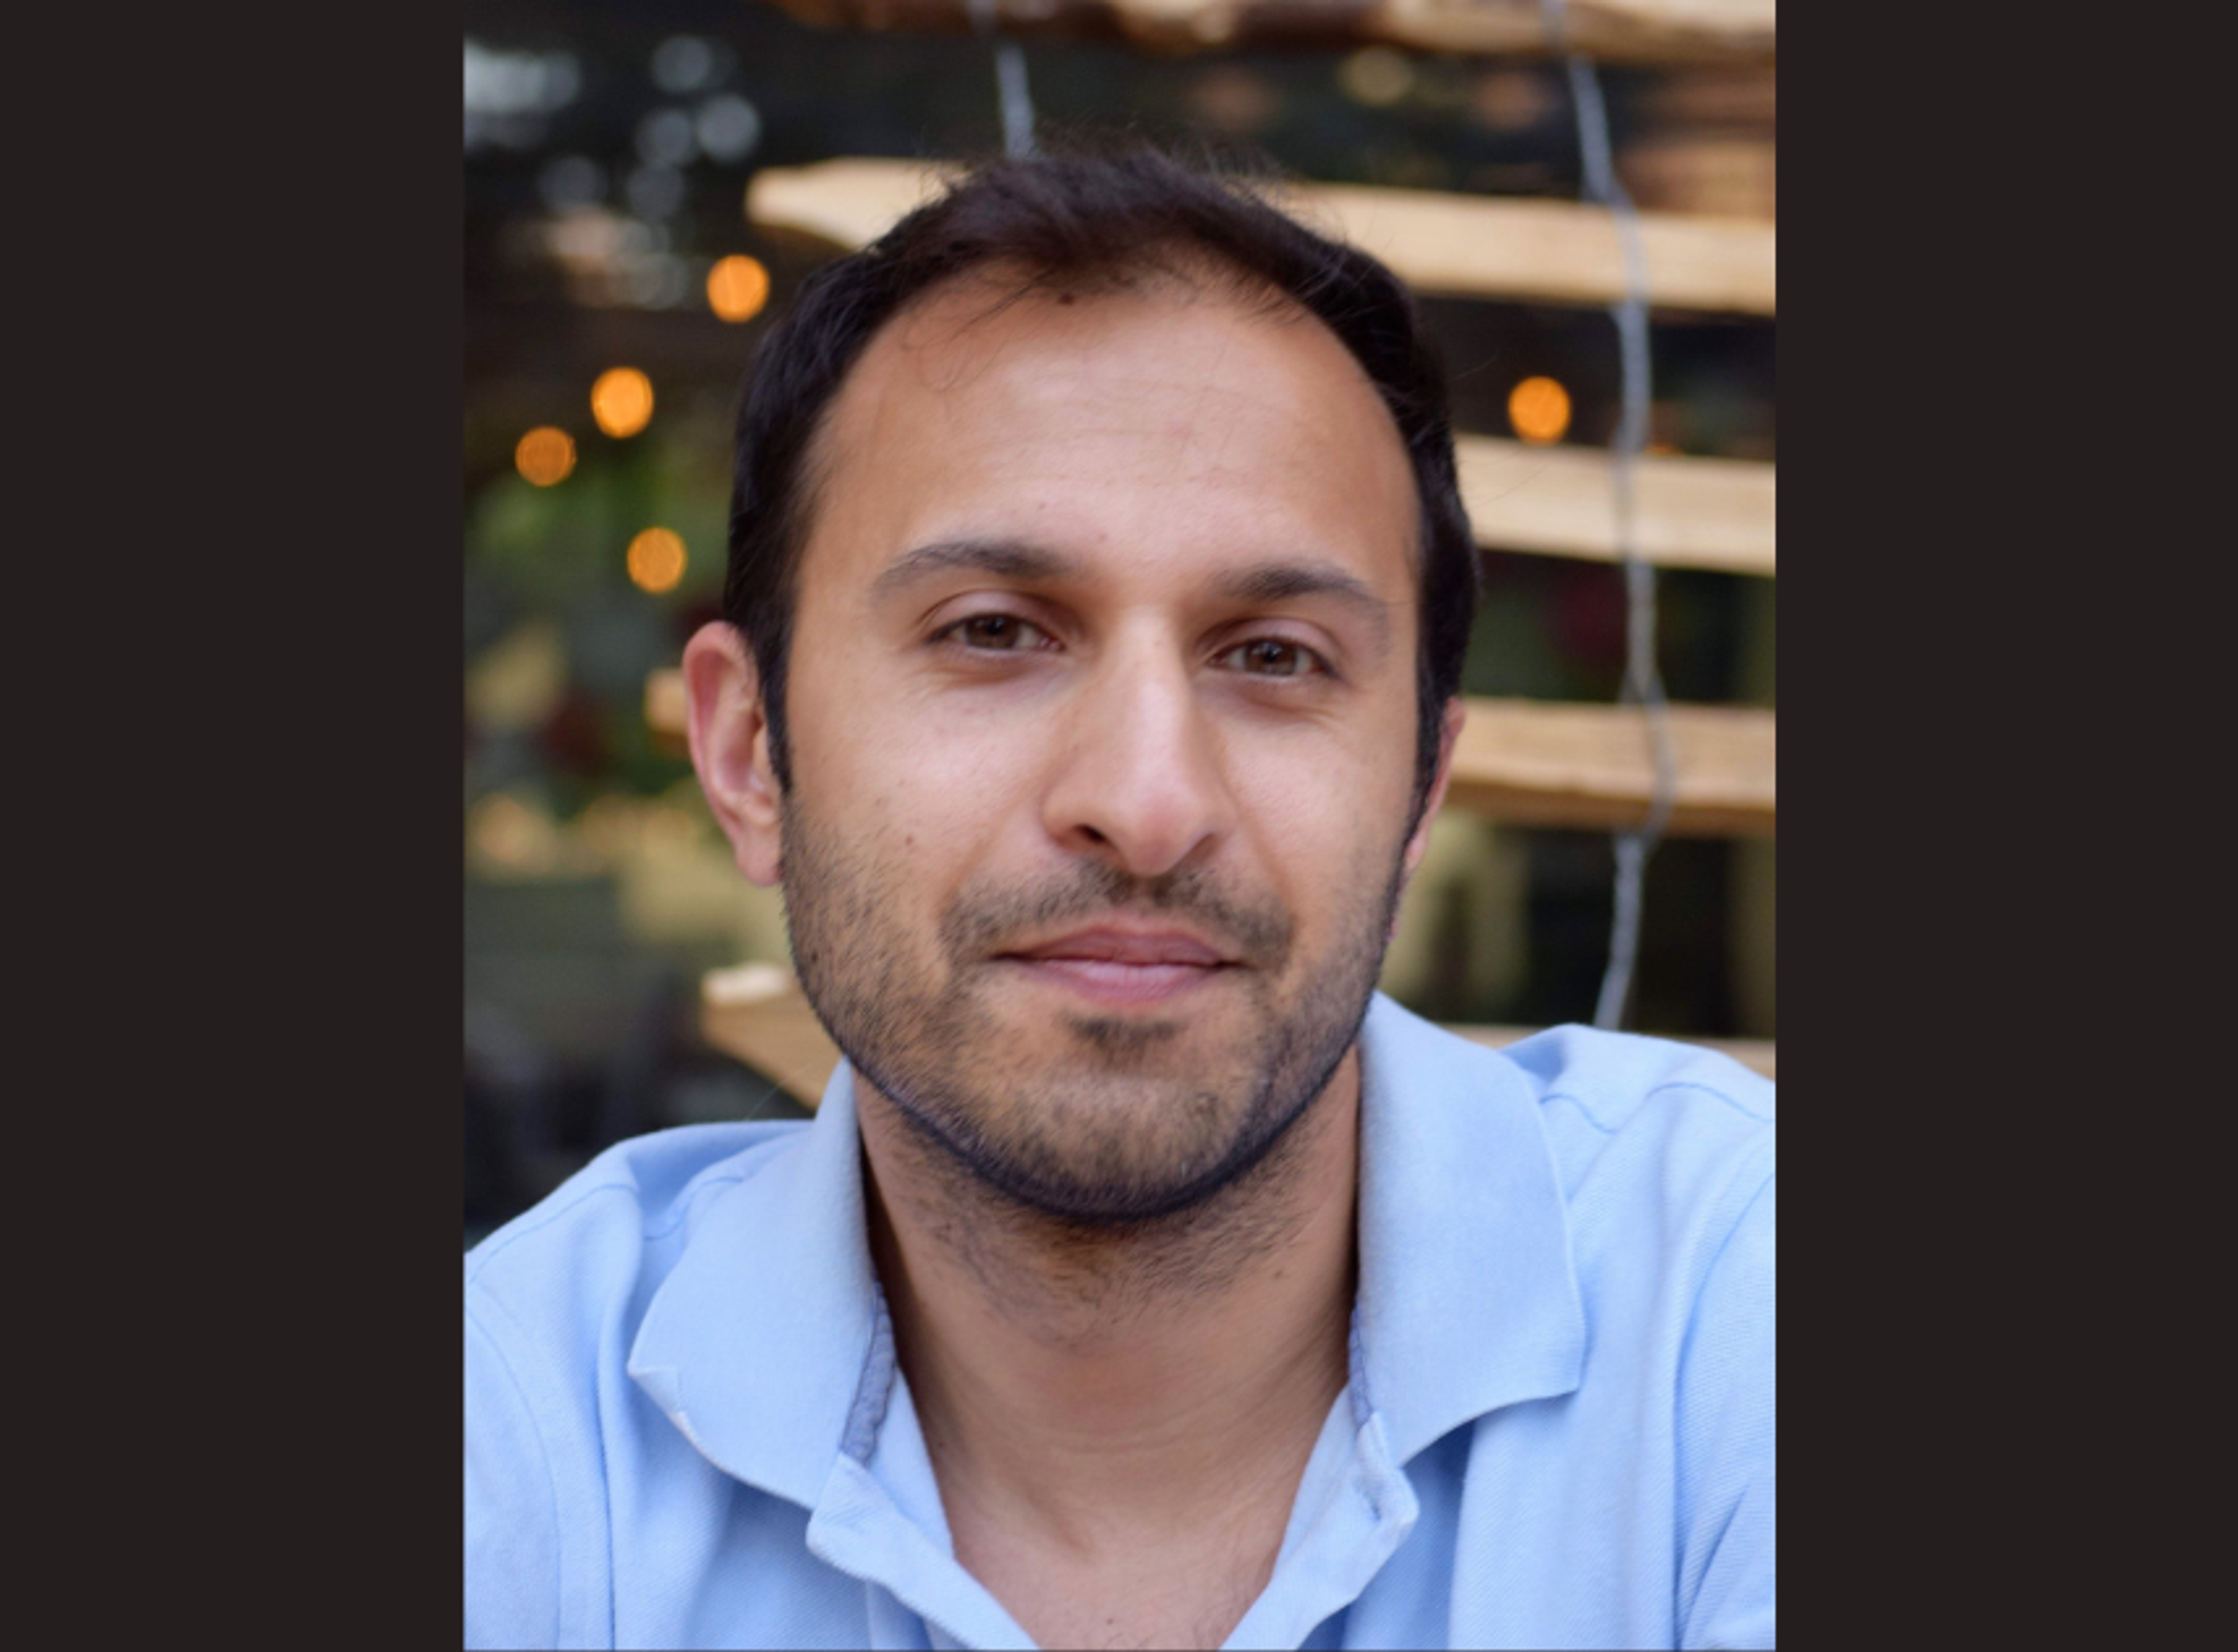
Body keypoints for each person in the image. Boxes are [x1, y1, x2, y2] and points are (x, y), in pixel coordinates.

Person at [465, 145, 1774, 1651]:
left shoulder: (1732, 1327)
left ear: (1420, 784)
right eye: (995, 633)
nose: (1149, 803)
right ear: (753, 755)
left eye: (1273, 655)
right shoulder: (524, 1444)